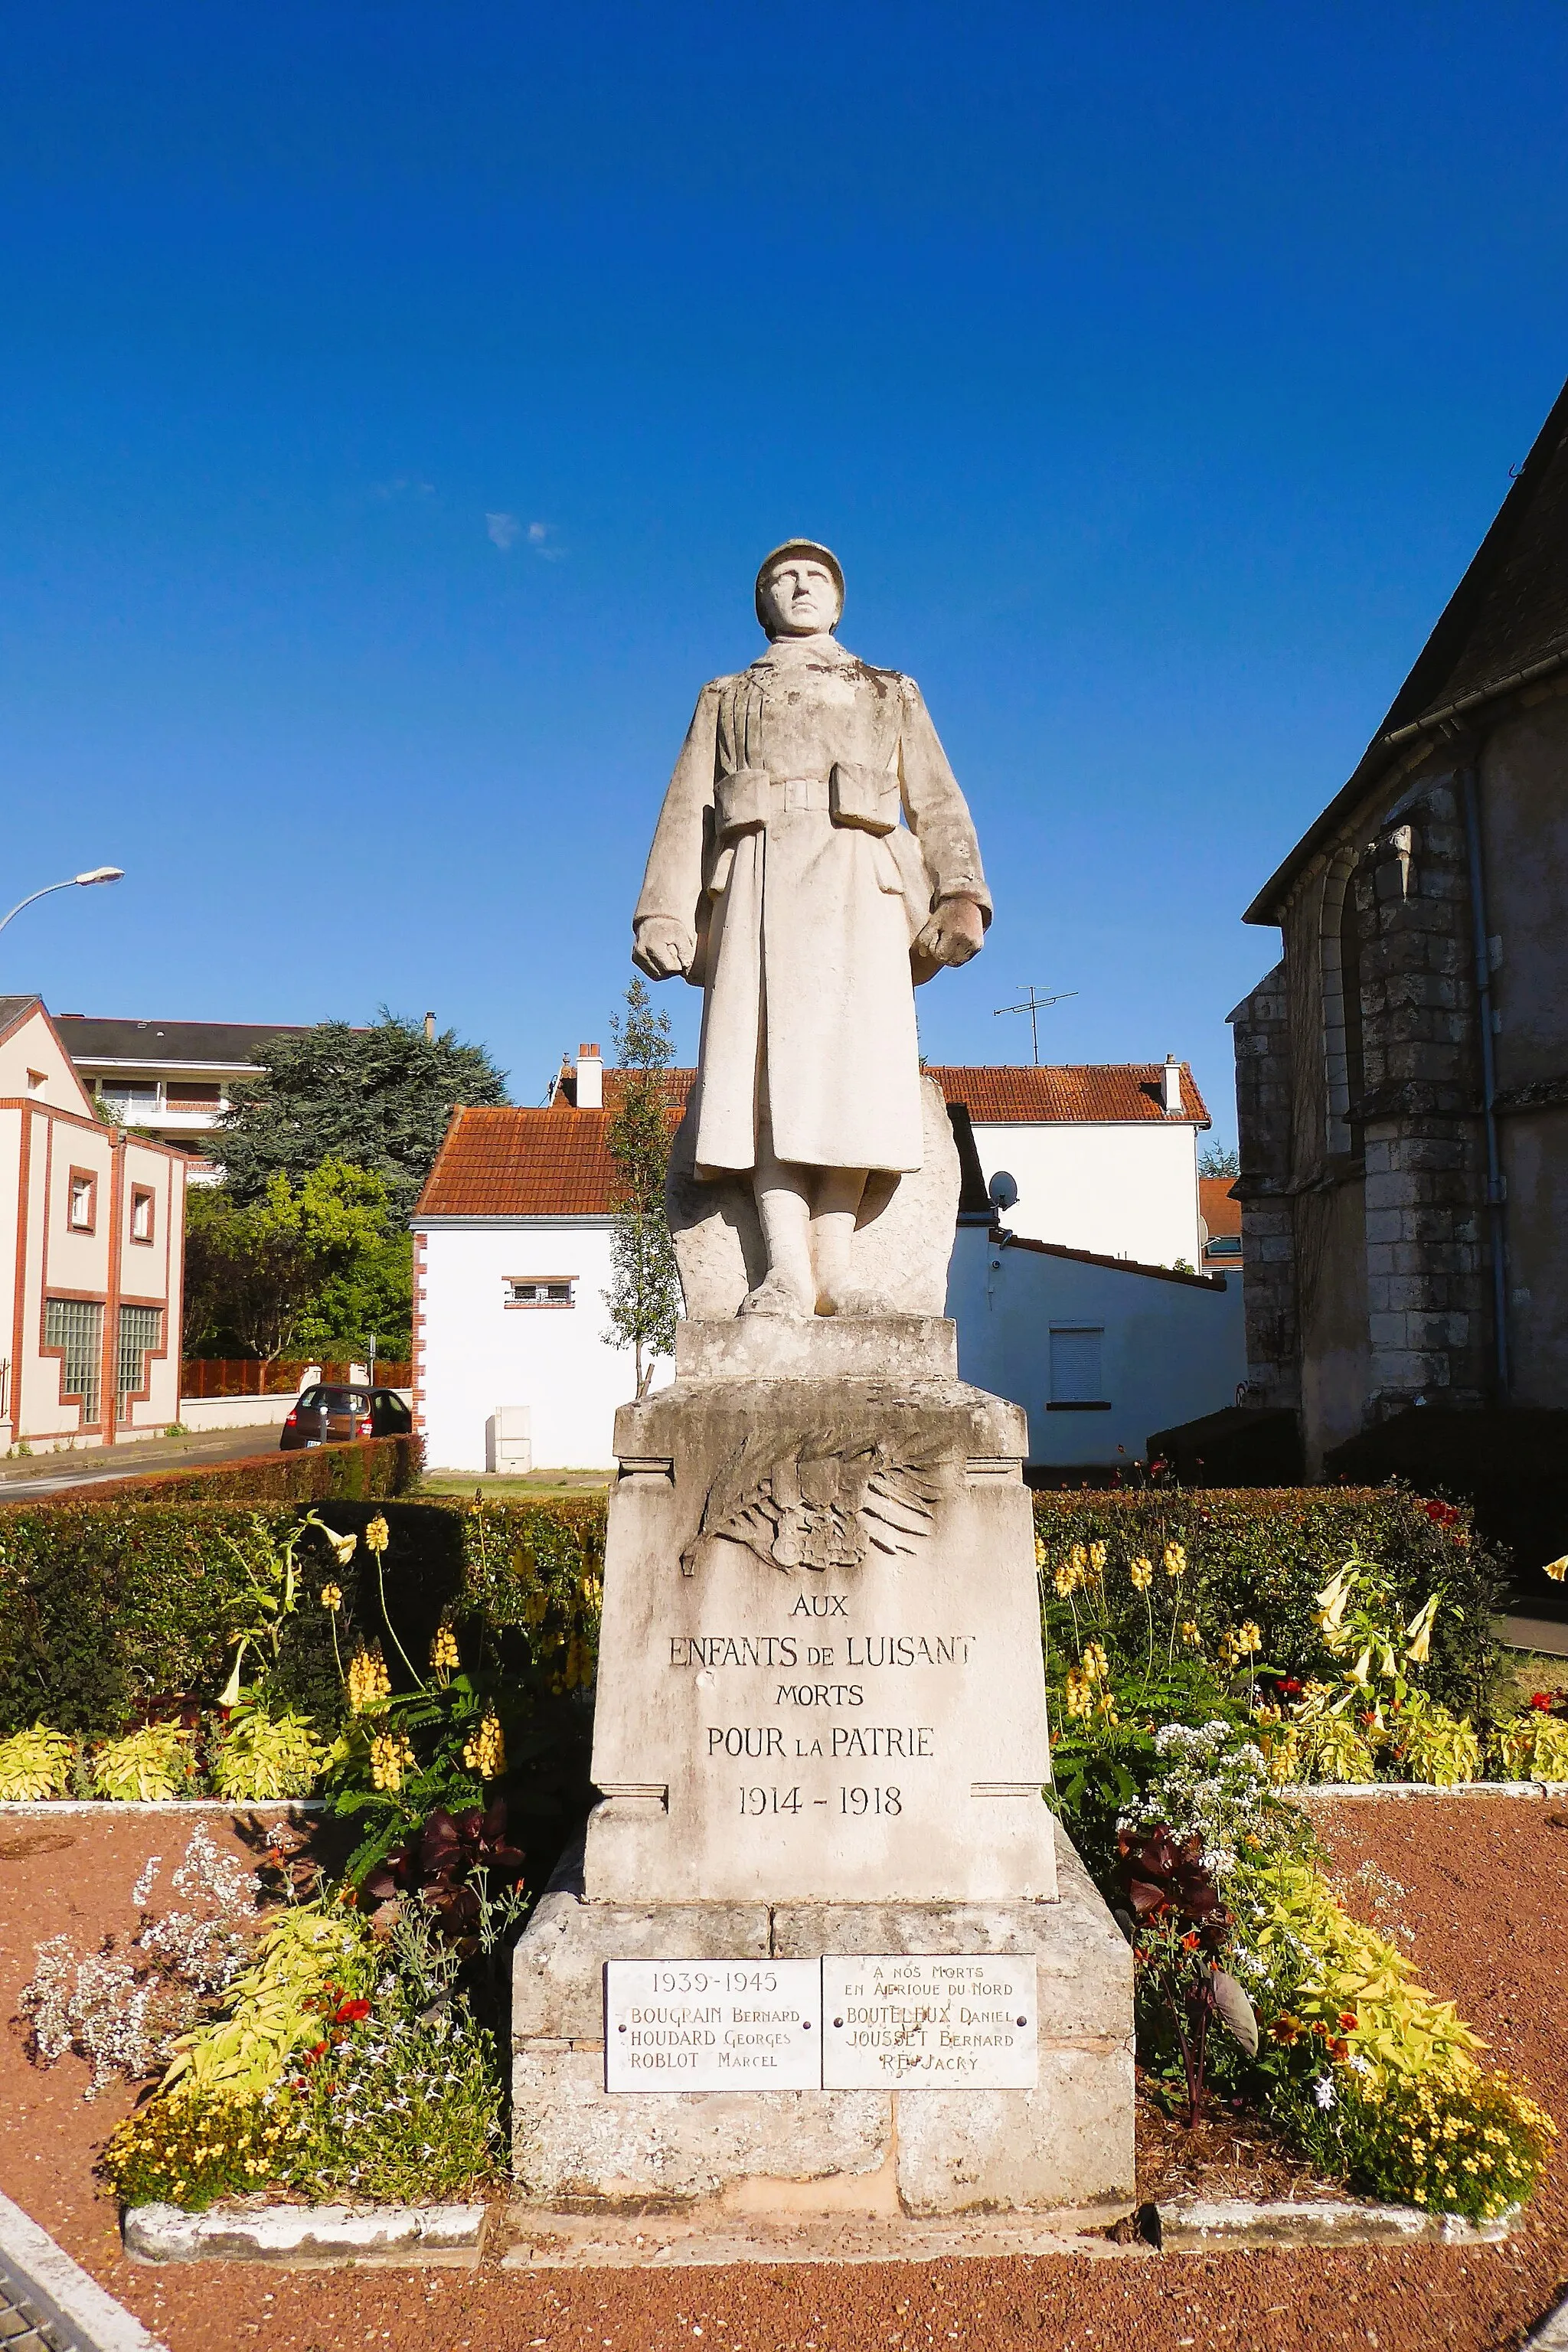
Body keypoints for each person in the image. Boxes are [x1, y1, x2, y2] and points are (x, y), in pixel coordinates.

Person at [633, 540, 990, 1318]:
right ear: (762, 601)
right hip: (757, 884)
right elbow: (687, 804)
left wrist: (961, 893)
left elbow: (937, 801)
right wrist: (663, 909)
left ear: (838, 599)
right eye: (781, 577)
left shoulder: (887, 688)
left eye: (815, 577)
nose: (799, 586)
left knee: (852, 1084)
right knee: (764, 1085)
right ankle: (783, 1271)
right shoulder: (724, 695)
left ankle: (839, 1270)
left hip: (860, 886)